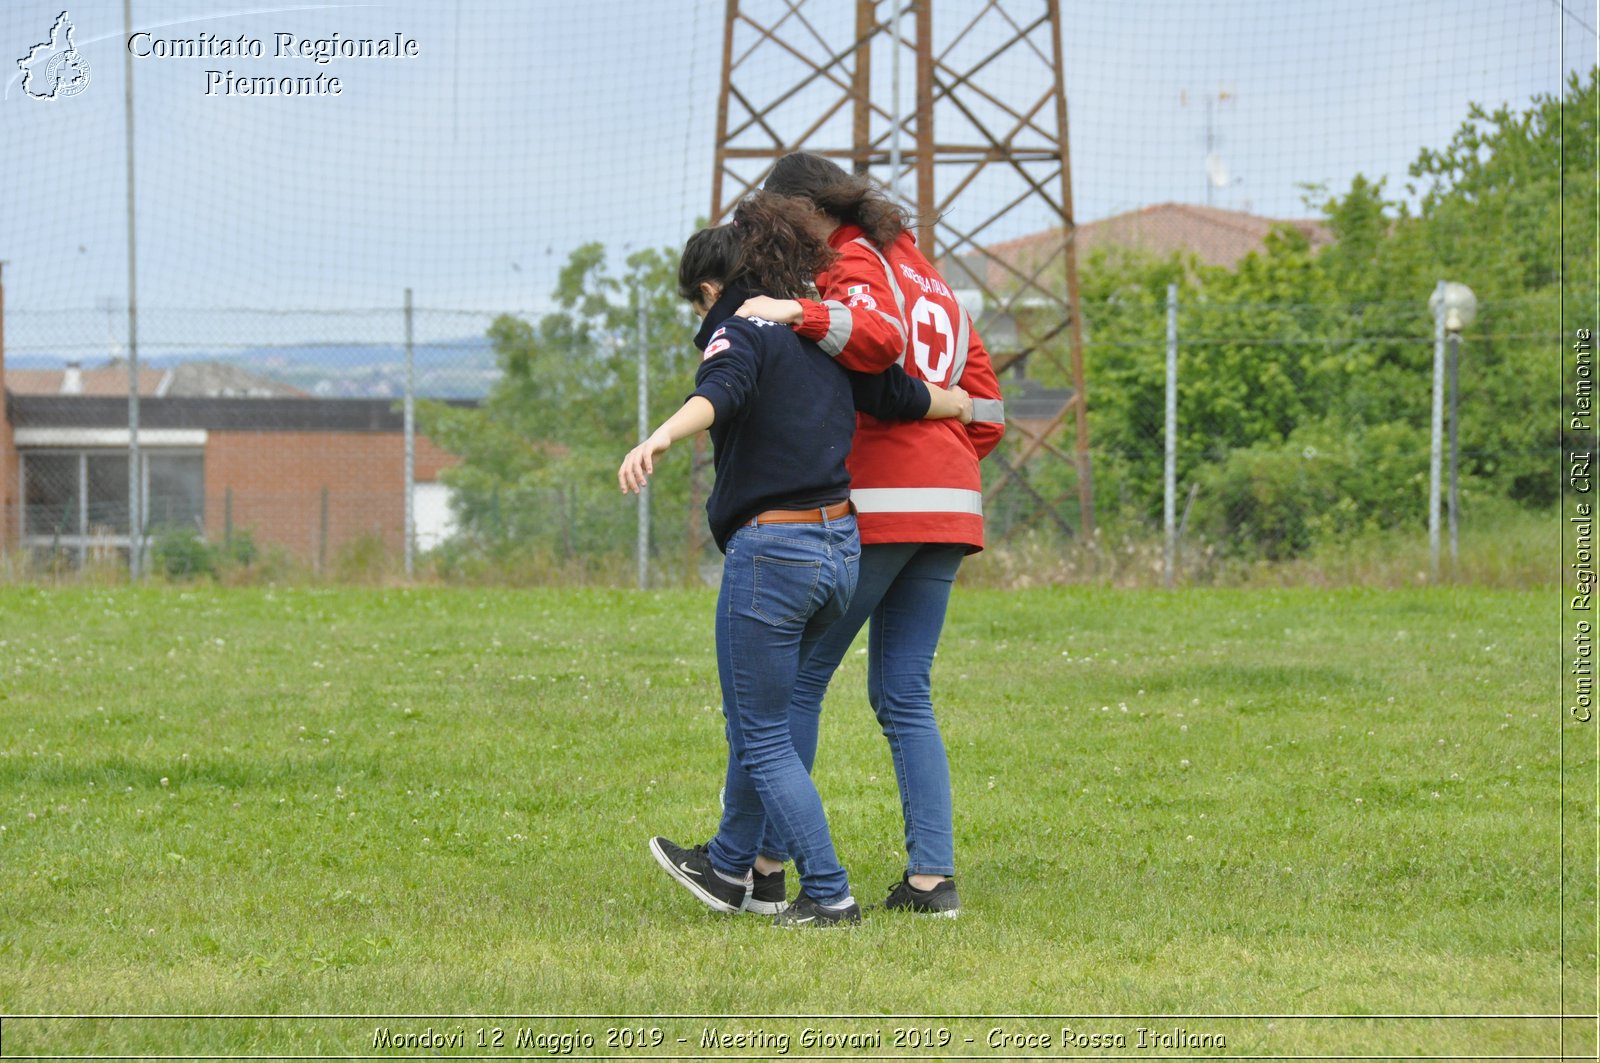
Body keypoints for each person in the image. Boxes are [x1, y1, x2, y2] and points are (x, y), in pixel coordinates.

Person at [617, 194, 972, 928]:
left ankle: (828, 891)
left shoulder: (738, 327)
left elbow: (719, 391)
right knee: (778, 715)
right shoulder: (820, 332)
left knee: (761, 732)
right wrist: (963, 405)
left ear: (711, 290)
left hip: (773, 548)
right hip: (841, 543)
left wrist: (657, 436)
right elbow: (898, 392)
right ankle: (742, 870)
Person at [726, 152, 1006, 918]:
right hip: (952, 503)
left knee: (795, 684)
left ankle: (765, 867)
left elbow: (873, 341)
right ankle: (931, 881)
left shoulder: (852, 260)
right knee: (905, 693)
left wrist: (801, 314)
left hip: (881, 497)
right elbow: (987, 405)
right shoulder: (933, 279)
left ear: (809, 212)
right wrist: (949, 462)